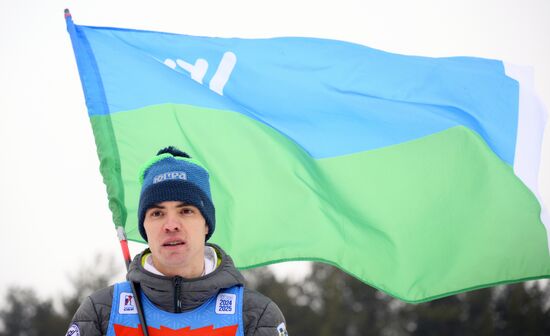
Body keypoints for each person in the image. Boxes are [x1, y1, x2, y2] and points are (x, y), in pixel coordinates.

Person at [66, 146, 288, 336]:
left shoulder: (254, 314)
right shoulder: (101, 312)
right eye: (157, 213)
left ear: (206, 224)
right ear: (144, 226)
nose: (171, 224)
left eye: (185, 211)